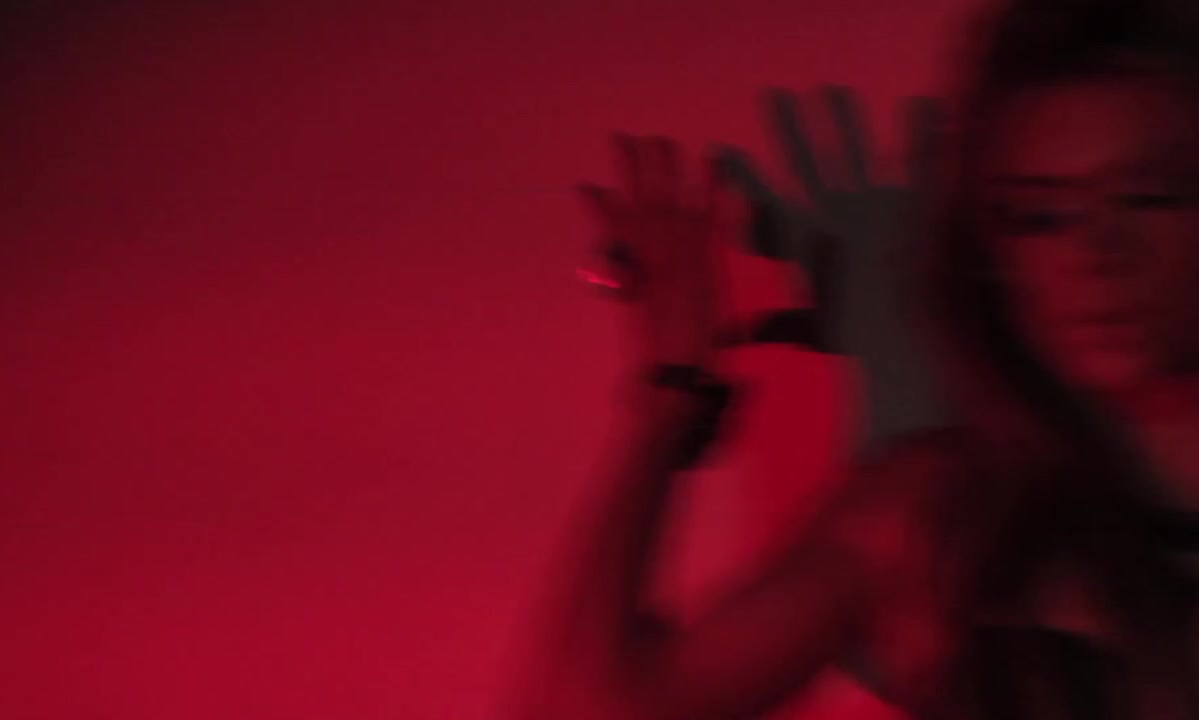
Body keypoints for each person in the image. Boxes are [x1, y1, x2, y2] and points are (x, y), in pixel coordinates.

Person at [510, 0, 1199, 717]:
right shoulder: (936, 514)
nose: (1096, 256)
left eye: (1147, 197)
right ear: (992, 255)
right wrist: (673, 389)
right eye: (1041, 217)